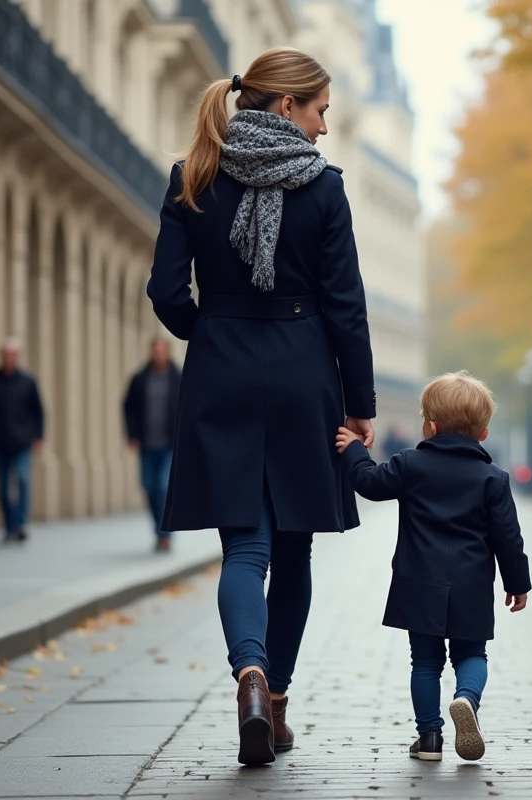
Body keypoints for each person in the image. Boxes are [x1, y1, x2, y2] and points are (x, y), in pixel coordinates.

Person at [147, 48, 376, 767]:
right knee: (296, 545)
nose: (324, 129)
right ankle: (274, 700)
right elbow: (346, 307)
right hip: (305, 372)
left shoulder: (194, 176)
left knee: (245, 547)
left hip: (223, 376)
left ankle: (247, 671)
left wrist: (212, 335)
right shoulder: (324, 187)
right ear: (287, 108)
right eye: (320, 112)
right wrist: (360, 404)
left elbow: (164, 293)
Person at [335, 371, 531, 763]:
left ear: (431, 426)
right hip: (472, 586)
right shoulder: (493, 479)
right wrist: (517, 583)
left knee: (424, 661)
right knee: (471, 655)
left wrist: (354, 448)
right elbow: (508, 538)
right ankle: (466, 699)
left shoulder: (411, 464)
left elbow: (369, 483)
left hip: (418, 583)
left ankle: (429, 739)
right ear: (485, 433)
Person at [0, 339, 45, 544]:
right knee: (4, 486)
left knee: (22, 480)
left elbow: (38, 412)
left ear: (17, 356)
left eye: (13, 354)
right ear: (1, 356)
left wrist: (39, 437)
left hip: (22, 442)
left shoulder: (28, 382)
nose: (9, 358)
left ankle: (20, 524)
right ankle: (9, 525)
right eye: (6, 354)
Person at [123, 337, 182, 553]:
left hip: (170, 444)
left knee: (162, 487)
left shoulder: (179, 378)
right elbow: (128, 408)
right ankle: (158, 531)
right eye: (155, 350)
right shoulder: (140, 378)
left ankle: (165, 534)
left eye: (161, 350)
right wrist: (131, 435)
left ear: (167, 352)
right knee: (148, 486)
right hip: (147, 443)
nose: (158, 354)